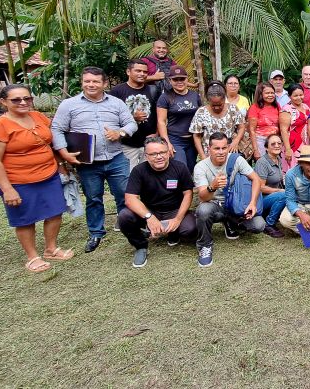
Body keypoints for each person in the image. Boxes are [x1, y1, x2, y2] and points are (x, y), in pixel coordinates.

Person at [0, 84, 72, 273]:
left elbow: (52, 144)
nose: (23, 102)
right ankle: (32, 257)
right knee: (25, 219)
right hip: (18, 180)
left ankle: (51, 248)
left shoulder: (38, 117)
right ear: (3, 102)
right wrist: (7, 189)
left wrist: (61, 165)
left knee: (55, 212)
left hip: (48, 174)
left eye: (27, 98)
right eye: (16, 100)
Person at [52, 66, 137, 253]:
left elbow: (131, 123)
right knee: (93, 198)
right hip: (87, 162)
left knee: (124, 194)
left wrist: (120, 132)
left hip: (116, 157)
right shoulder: (69, 105)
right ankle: (96, 232)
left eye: (95, 81)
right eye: (87, 81)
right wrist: (64, 153)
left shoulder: (116, 103)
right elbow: (57, 128)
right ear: (82, 82)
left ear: (104, 83)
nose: (91, 84)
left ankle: (130, 228)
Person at [119, 137, 196, 268]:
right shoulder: (139, 171)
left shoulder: (180, 167)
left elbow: (188, 193)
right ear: (146, 155)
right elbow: (130, 198)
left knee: (191, 229)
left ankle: (172, 232)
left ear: (168, 152)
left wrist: (178, 219)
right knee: (124, 216)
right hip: (150, 210)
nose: (159, 156)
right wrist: (149, 217)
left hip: (174, 210)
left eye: (162, 152)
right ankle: (141, 246)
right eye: (154, 154)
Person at [193, 132, 265, 267]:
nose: (221, 152)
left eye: (224, 148)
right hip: (215, 205)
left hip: (235, 204)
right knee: (203, 210)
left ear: (228, 147)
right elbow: (203, 197)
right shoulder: (201, 167)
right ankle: (205, 246)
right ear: (209, 149)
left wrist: (252, 203)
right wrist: (212, 187)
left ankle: (231, 223)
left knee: (258, 225)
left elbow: (256, 179)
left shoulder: (236, 159)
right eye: (216, 148)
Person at [109, 59, 159, 170]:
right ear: (128, 72)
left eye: (145, 72)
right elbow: (111, 117)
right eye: (138, 71)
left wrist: (156, 133)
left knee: (150, 176)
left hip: (149, 143)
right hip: (127, 144)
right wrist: (133, 118)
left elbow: (160, 115)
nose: (142, 74)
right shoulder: (117, 91)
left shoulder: (153, 90)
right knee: (129, 178)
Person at [156, 65, 202, 172]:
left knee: (191, 168)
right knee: (180, 168)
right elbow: (161, 121)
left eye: (182, 79)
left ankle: (188, 189)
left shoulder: (195, 95)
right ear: (170, 80)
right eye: (175, 79)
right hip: (175, 139)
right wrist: (167, 143)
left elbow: (201, 116)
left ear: (187, 79)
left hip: (193, 139)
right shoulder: (165, 97)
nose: (179, 82)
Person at [189, 81, 246, 160]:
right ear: (208, 100)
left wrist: (236, 141)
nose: (216, 108)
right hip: (209, 154)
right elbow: (196, 136)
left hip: (230, 151)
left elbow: (241, 127)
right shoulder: (201, 112)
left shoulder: (232, 109)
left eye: (220, 105)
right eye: (213, 105)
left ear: (224, 99)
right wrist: (202, 155)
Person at [254, 134, 288, 238]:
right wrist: (279, 191)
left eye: (279, 143)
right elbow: (260, 188)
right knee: (284, 195)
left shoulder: (278, 159)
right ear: (266, 147)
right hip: (260, 200)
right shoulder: (262, 163)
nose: (277, 145)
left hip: (272, 197)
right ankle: (269, 224)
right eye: (273, 144)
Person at [279, 83, 310, 168]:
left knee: (306, 169)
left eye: (301, 95)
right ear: (289, 96)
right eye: (295, 95)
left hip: (306, 143)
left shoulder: (306, 107)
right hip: (293, 145)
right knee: (293, 170)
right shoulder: (286, 110)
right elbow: (283, 130)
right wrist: (288, 149)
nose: (299, 97)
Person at [247, 82, 281, 160]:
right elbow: (252, 130)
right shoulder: (254, 108)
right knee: (263, 166)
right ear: (261, 94)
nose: (270, 95)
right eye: (267, 93)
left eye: (272, 93)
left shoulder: (277, 106)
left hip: (275, 141)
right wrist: (256, 150)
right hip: (260, 142)